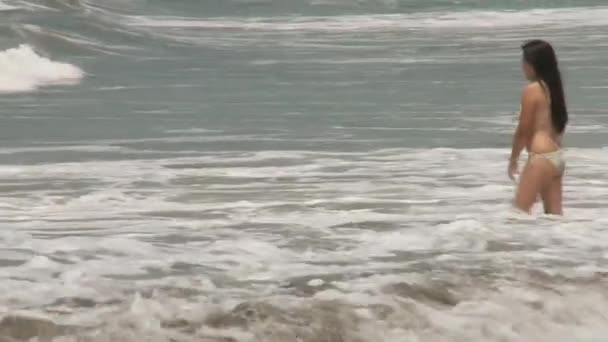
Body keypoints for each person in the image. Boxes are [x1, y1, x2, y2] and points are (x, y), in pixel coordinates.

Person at [508, 40, 568, 215]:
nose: (522, 67)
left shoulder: (533, 89)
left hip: (541, 159)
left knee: (517, 217)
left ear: (533, 65)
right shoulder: (554, 89)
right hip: (556, 158)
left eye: (524, 62)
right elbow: (559, 128)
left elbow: (523, 130)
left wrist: (513, 159)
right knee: (554, 221)